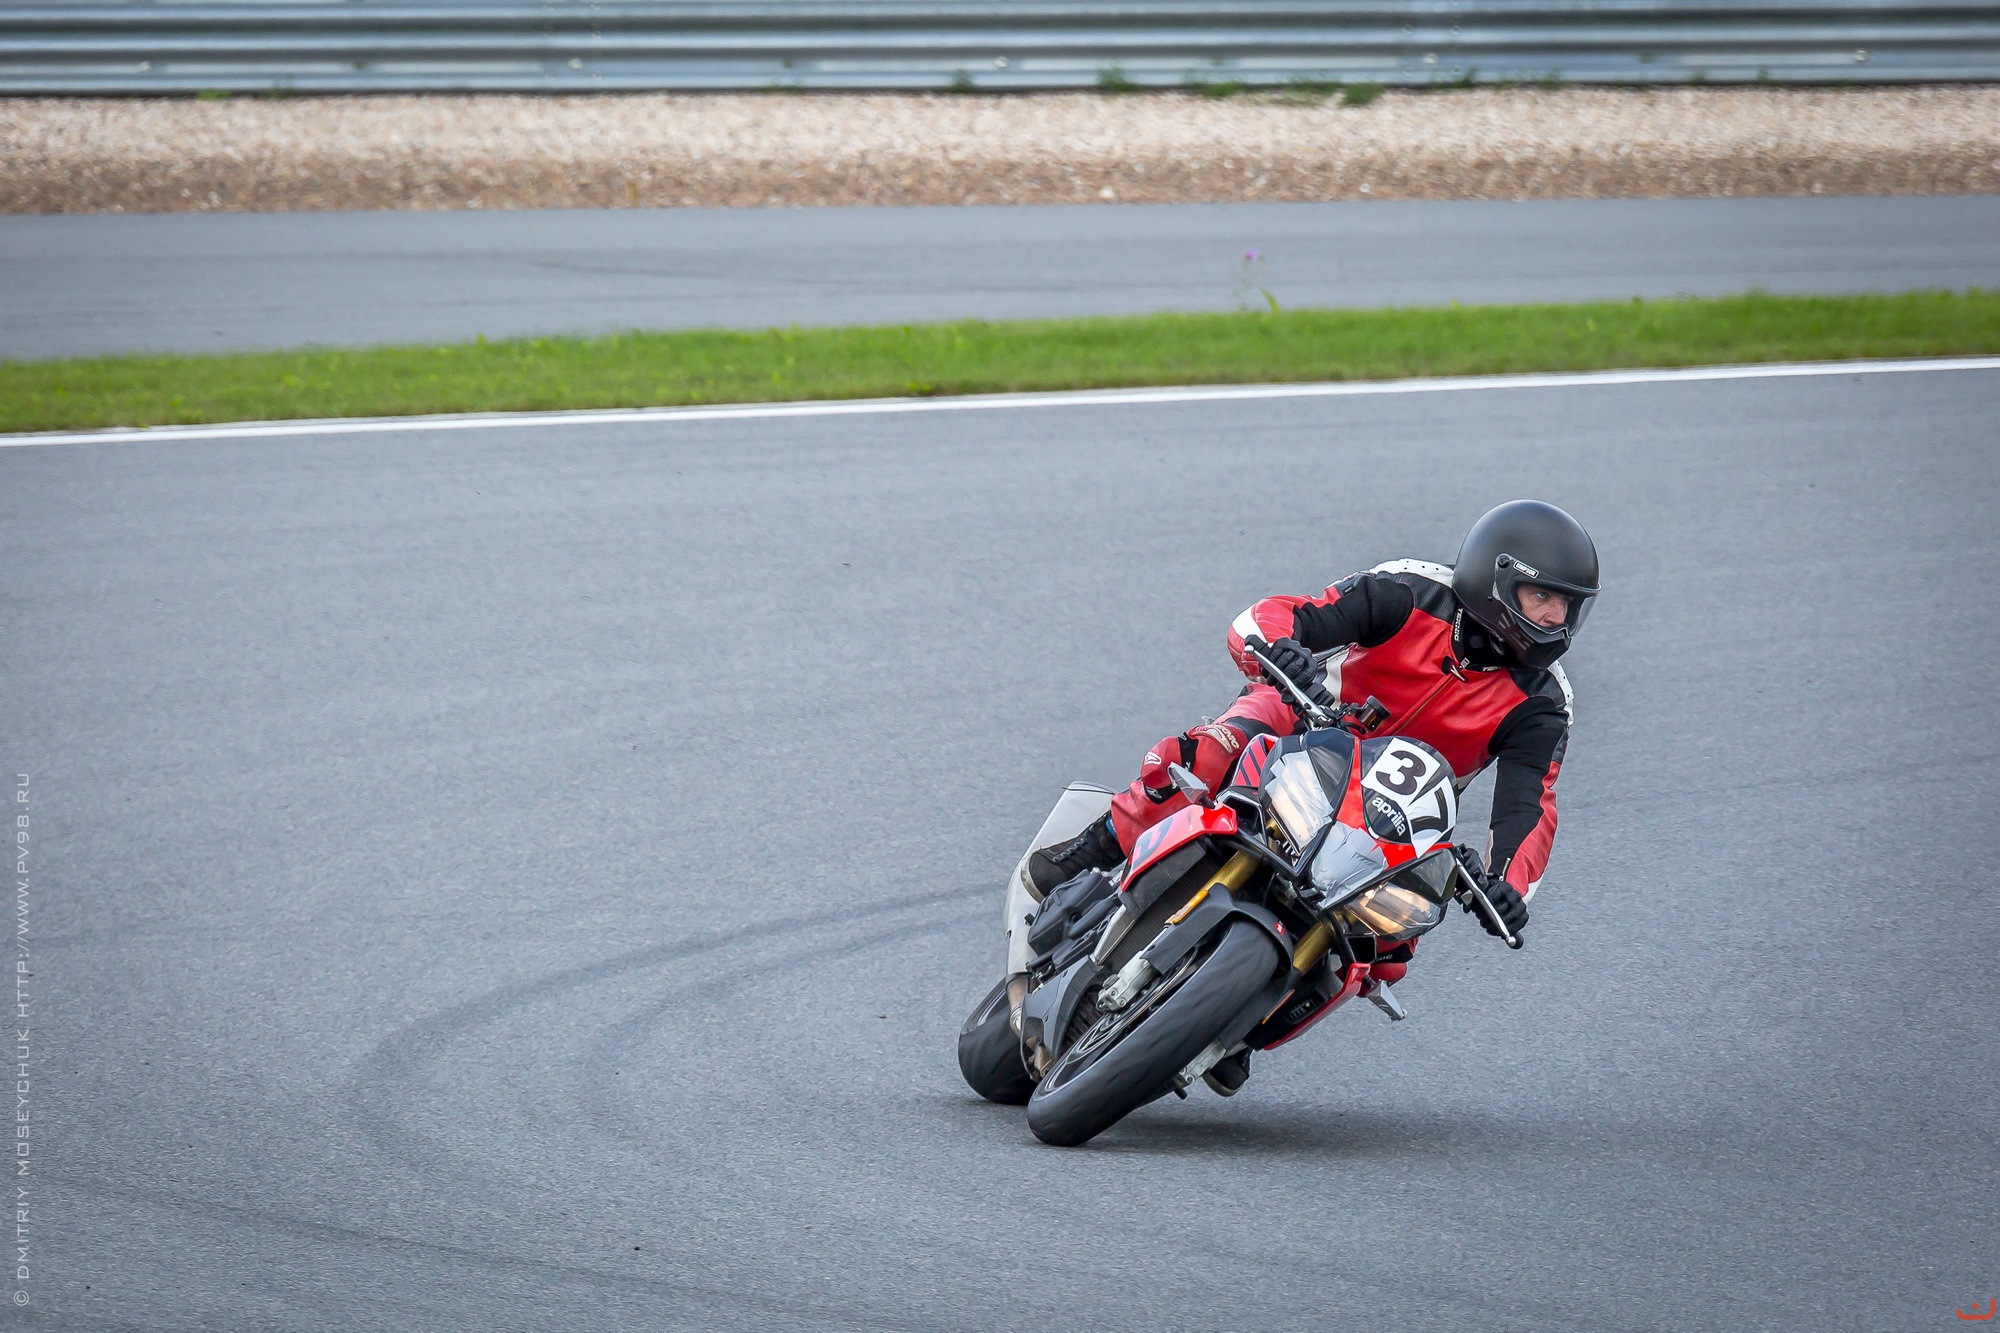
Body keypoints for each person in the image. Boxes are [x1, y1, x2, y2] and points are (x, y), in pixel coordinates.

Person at [1028, 500, 1600, 960]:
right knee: (1211, 753)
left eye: (1567, 606)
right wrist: (1280, 650)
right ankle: (1097, 845)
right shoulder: (1409, 591)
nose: (1555, 618)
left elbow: (1529, 806)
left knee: (1393, 945)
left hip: (1390, 814)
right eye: (1541, 597)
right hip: (1307, 727)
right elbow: (1282, 614)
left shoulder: (1544, 702)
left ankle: (1247, 1017)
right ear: (1495, 580)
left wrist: (1508, 887)